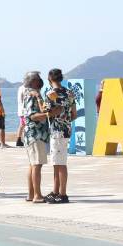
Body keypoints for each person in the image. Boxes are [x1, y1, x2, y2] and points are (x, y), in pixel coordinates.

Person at [43, 69, 76, 204]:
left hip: (57, 130)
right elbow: (74, 114)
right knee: (57, 162)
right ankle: (56, 191)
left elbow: (48, 113)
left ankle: (62, 194)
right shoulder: (70, 93)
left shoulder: (50, 94)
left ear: (50, 79)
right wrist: (66, 120)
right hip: (66, 129)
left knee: (60, 163)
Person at [21, 72, 49, 203]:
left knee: (33, 165)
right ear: (33, 82)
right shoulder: (32, 95)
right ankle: (37, 195)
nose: (41, 81)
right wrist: (49, 114)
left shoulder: (31, 94)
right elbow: (32, 115)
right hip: (36, 134)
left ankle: (32, 194)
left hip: (34, 134)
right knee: (36, 165)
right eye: (38, 79)